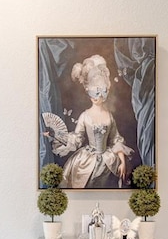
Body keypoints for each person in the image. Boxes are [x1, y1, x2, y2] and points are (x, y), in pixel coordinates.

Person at [45, 54, 133, 188]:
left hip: (108, 160)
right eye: (93, 92)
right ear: (88, 92)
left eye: (101, 92)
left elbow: (116, 140)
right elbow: (77, 139)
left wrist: (122, 162)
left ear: (106, 91)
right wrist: (55, 134)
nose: (97, 97)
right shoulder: (85, 116)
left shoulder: (109, 116)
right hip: (87, 161)